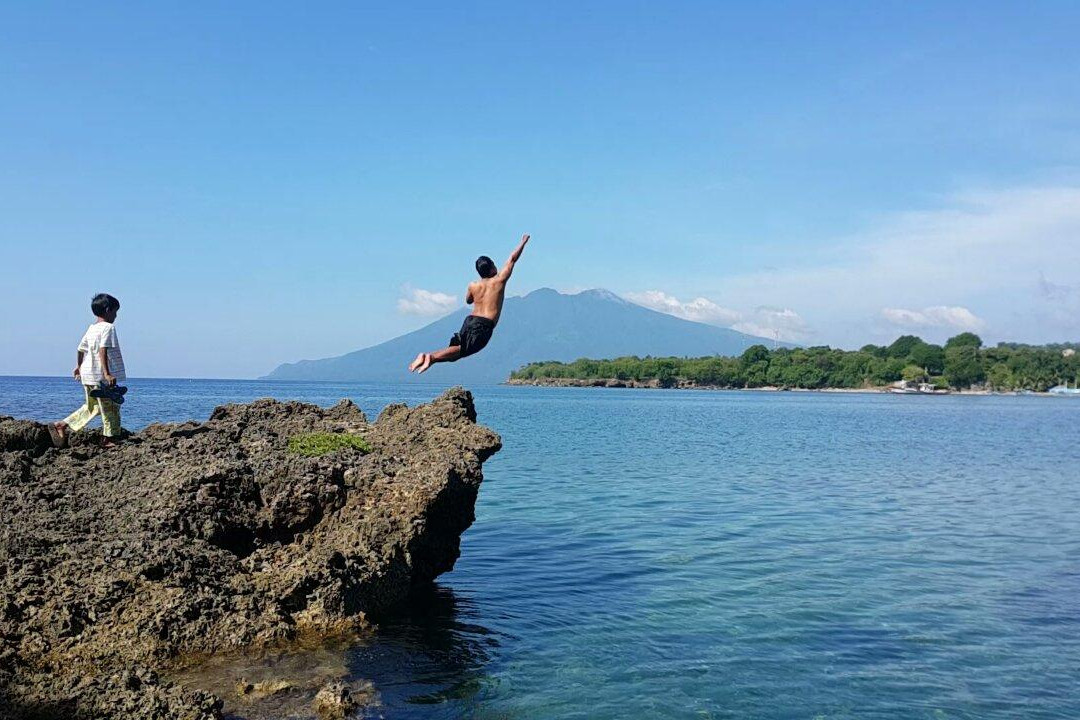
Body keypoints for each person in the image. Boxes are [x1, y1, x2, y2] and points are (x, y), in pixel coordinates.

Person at [409, 234, 530, 374]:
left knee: (455, 353)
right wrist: (523, 242)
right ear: (492, 269)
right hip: (483, 325)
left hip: (470, 321)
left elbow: (468, 300)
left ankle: (428, 358)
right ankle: (430, 357)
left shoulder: (473, 286)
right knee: (464, 350)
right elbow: (512, 259)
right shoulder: (499, 281)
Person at [49, 293, 127, 448]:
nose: (116, 316)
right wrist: (107, 373)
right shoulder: (108, 328)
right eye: (115, 312)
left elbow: (80, 349)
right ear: (107, 310)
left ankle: (62, 424)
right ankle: (110, 439)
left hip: (88, 374)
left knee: (93, 407)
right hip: (100, 376)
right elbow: (102, 350)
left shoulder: (92, 329)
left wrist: (79, 367)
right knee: (111, 406)